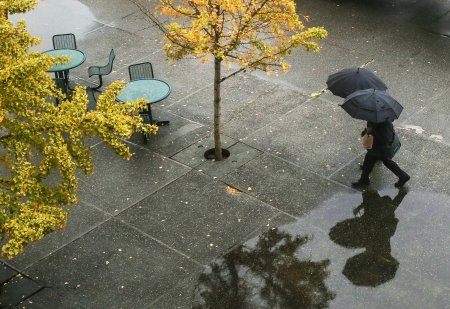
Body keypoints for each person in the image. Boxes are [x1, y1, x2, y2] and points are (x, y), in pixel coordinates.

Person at [352, 121, 410, 187]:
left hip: (382, 142)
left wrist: (370, 131)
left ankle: (403, 176)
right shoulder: (382, 116)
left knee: (376, 158)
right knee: (372, 158)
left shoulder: (376, 118)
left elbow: (379, 133)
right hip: (384, 139)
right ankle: (364, 179)